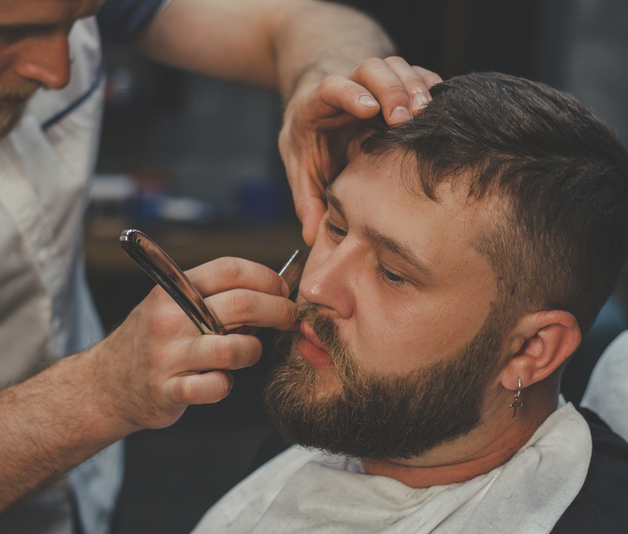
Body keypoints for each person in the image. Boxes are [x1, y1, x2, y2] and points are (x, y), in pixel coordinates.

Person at [0, 0, 444, 532]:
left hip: (89, 493)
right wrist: (98, 393)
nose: (57, 69)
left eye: (79, 19)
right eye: (3, 30)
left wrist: (326, 82)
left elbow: (307, 19)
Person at [191, 72, 628, 534]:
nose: (317, 287)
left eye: (393, 273)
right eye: (336, 227)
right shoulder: (348, 419)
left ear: (531, 349)